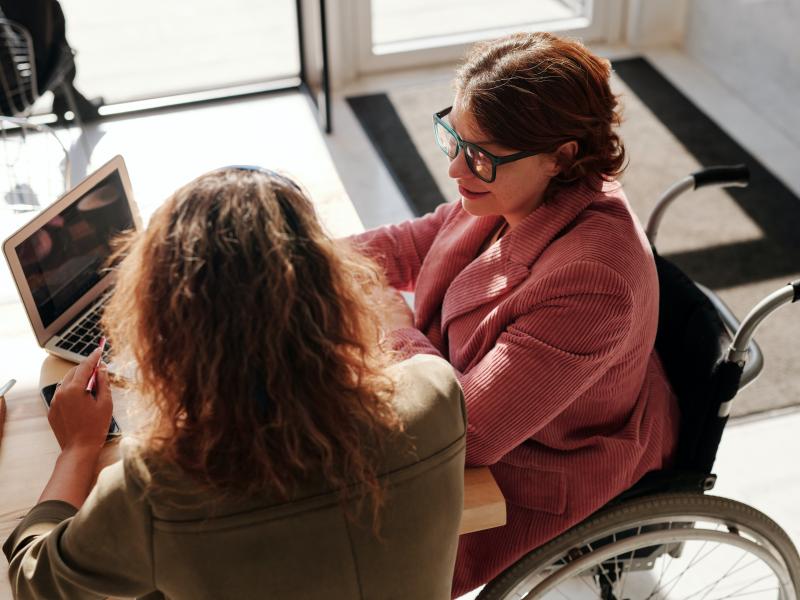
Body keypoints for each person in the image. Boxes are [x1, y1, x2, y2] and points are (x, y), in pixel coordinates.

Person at [3, 167, 467, 599]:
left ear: (166, 326)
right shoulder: (436, 392)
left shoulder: (158, 487)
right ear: (335, 289)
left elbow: (34, 581)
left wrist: (78, 449)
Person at [351, 32, 681, 597]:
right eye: (452, 137)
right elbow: (415, 243)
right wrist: (294, 256)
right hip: (484, 401)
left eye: (478, 155)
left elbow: (467, 435)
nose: (456, 169)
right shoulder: (512, 186)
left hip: (535, 471)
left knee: (346, 539)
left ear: (563, 155)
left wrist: (392, 322)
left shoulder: (593, 281)